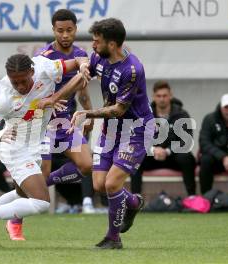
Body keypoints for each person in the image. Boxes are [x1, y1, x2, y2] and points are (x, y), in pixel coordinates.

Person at [0, 53, 88, 248]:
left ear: (32, 71)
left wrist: (83, 68)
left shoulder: (45, 68)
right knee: (41, 202)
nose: (20, 87)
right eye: (16, 83)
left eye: (24, 81)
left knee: (21, 194)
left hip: (35, 145)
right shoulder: (3, 98)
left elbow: (80, 60)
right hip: (15, 149)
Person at [6, 8, 94, 241]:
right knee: (34, 179)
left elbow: (83, 87)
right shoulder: (43, 57)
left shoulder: (81, 54)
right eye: (60, 30)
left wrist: (88, 112)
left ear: (75, 29)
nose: (65, 35)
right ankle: (15, 220)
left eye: (69, 30)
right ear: (53, 30)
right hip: (42, 126)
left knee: (86, 165)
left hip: (66, 124)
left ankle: (41, 184)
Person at [68, 18, 154, 249]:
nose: (93, 46)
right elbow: (87, 63)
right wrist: (84, 66)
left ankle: (113, 238)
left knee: (112, 184)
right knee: (99, 184)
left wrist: (87, 114)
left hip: (136, 130)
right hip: (111, 129)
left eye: (97, 42)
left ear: (113, 44)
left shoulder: (132, 69)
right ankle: (134, 202)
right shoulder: (100, 56)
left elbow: (119, 109)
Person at [131, 81, 196, 195]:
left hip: (173, 155)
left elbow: (186, 141)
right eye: (159, 96)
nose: (162, 99)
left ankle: (192, 197)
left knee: (187, 157)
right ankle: (135, 199)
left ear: (170, 96)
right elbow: (138, 138)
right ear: (153, 97)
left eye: (165, 96)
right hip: (151, 156)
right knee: (135, 157)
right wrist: (153, 150)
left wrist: (167, 151)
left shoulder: (181, 114)